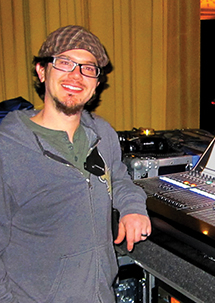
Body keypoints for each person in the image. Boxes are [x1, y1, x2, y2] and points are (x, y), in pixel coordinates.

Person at [0, 25, 151, 302]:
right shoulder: (7, 147)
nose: (76, 75)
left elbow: (118, 178)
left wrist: (131, 207)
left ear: (95, 84)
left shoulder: (102, 133)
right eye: (65, 63)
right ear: (42, 71)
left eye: (88, 68)